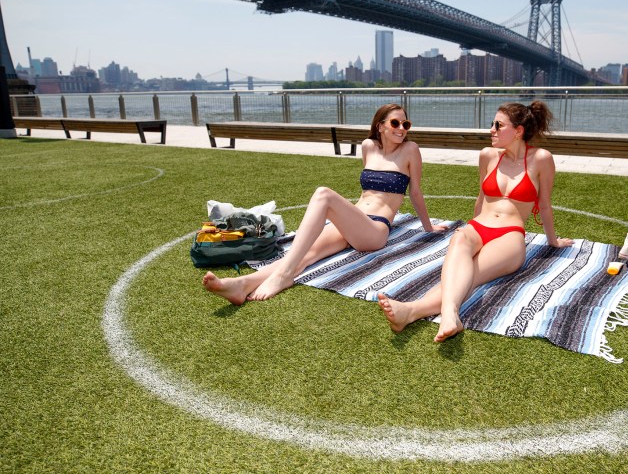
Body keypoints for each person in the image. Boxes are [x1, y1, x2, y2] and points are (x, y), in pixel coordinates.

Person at [203, 103, 446, 305]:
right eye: (395, 123)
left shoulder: (410, 150)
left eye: (406, 124)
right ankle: (240, 285)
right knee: (307, 253)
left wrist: (428, 228)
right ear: (380, 126)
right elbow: (367, 192)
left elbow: (415, 192)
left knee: (324, 195)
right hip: (353, 220)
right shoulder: (368, 146)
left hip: (375, 230)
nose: (401, 128)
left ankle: (284, 275)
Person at [378, 100, 573, 342]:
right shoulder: (488, 155)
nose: (491, 129)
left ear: (518, 131)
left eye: (498, 125)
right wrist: (469, 229)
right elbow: (481, 197)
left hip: (510, 234)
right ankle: (447, 314)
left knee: (470, 274)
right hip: (479, 226)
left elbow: (544, 204)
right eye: (493, 124)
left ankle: (412, 310)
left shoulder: (541, 159)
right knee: (460, 242)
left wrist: (553, 241)